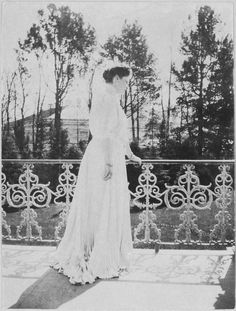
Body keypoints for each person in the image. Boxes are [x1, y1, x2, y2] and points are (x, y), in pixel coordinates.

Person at [50, 62, 142, 285]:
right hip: (103, 157)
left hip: (108, 155)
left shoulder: (113, 102)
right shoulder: (107, 100)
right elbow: (107, 135)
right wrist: (110, 163)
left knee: (106, 204)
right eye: (126, 81)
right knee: (100, 204)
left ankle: (106, 249)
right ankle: (96, 253)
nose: (127, 86)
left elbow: (120, 134)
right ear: (117, 79)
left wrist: (130, 154)